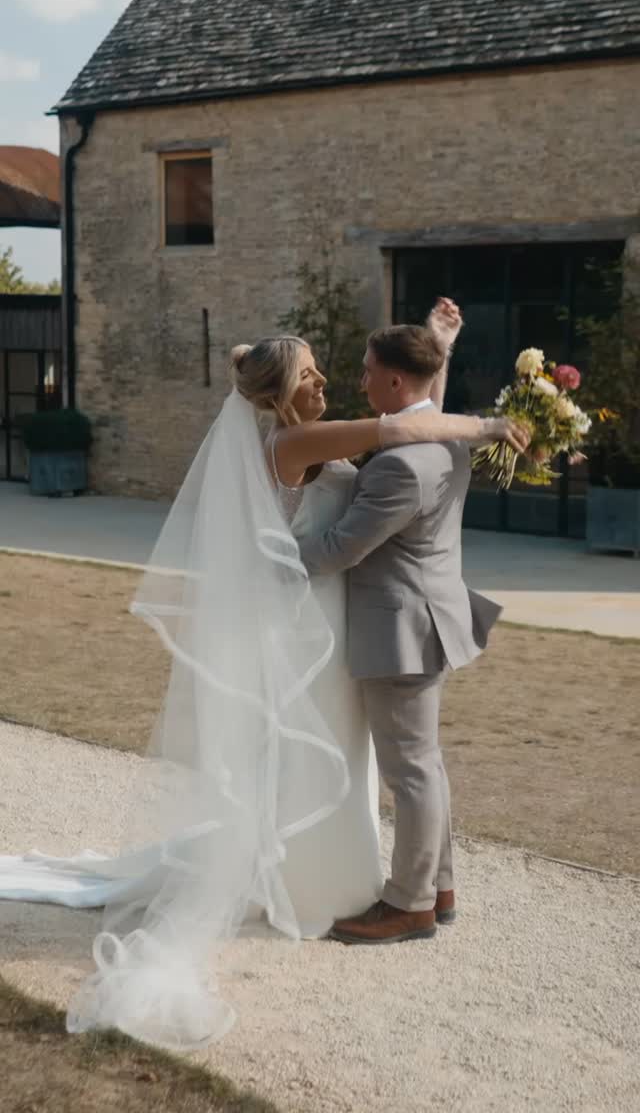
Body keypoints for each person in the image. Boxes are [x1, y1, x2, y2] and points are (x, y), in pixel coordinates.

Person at [0, 299, 528, 1047]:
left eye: (325, 373)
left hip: (339, 618)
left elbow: (409, 424)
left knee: (368, 756)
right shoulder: (295, 441)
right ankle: (329, 882)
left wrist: (438, 351)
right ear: (283, 393)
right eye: (312, 374)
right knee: (343, 756)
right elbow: (402, 429)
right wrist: (484, 424)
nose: (326, 382)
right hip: (315, 618)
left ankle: (392, 888)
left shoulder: (300, 436)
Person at [298, 319, 505, 944]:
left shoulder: (399, 467)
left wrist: (268, 551)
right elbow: (429, 408)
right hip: (430, 616)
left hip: (401, 628)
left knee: (411, 771)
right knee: (426, 765)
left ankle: (410, 903)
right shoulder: (444, 439)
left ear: (393, 379)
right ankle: (437, 886)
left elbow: (339, 550)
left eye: (365, 371)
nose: (359, 381)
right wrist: (442, 345)